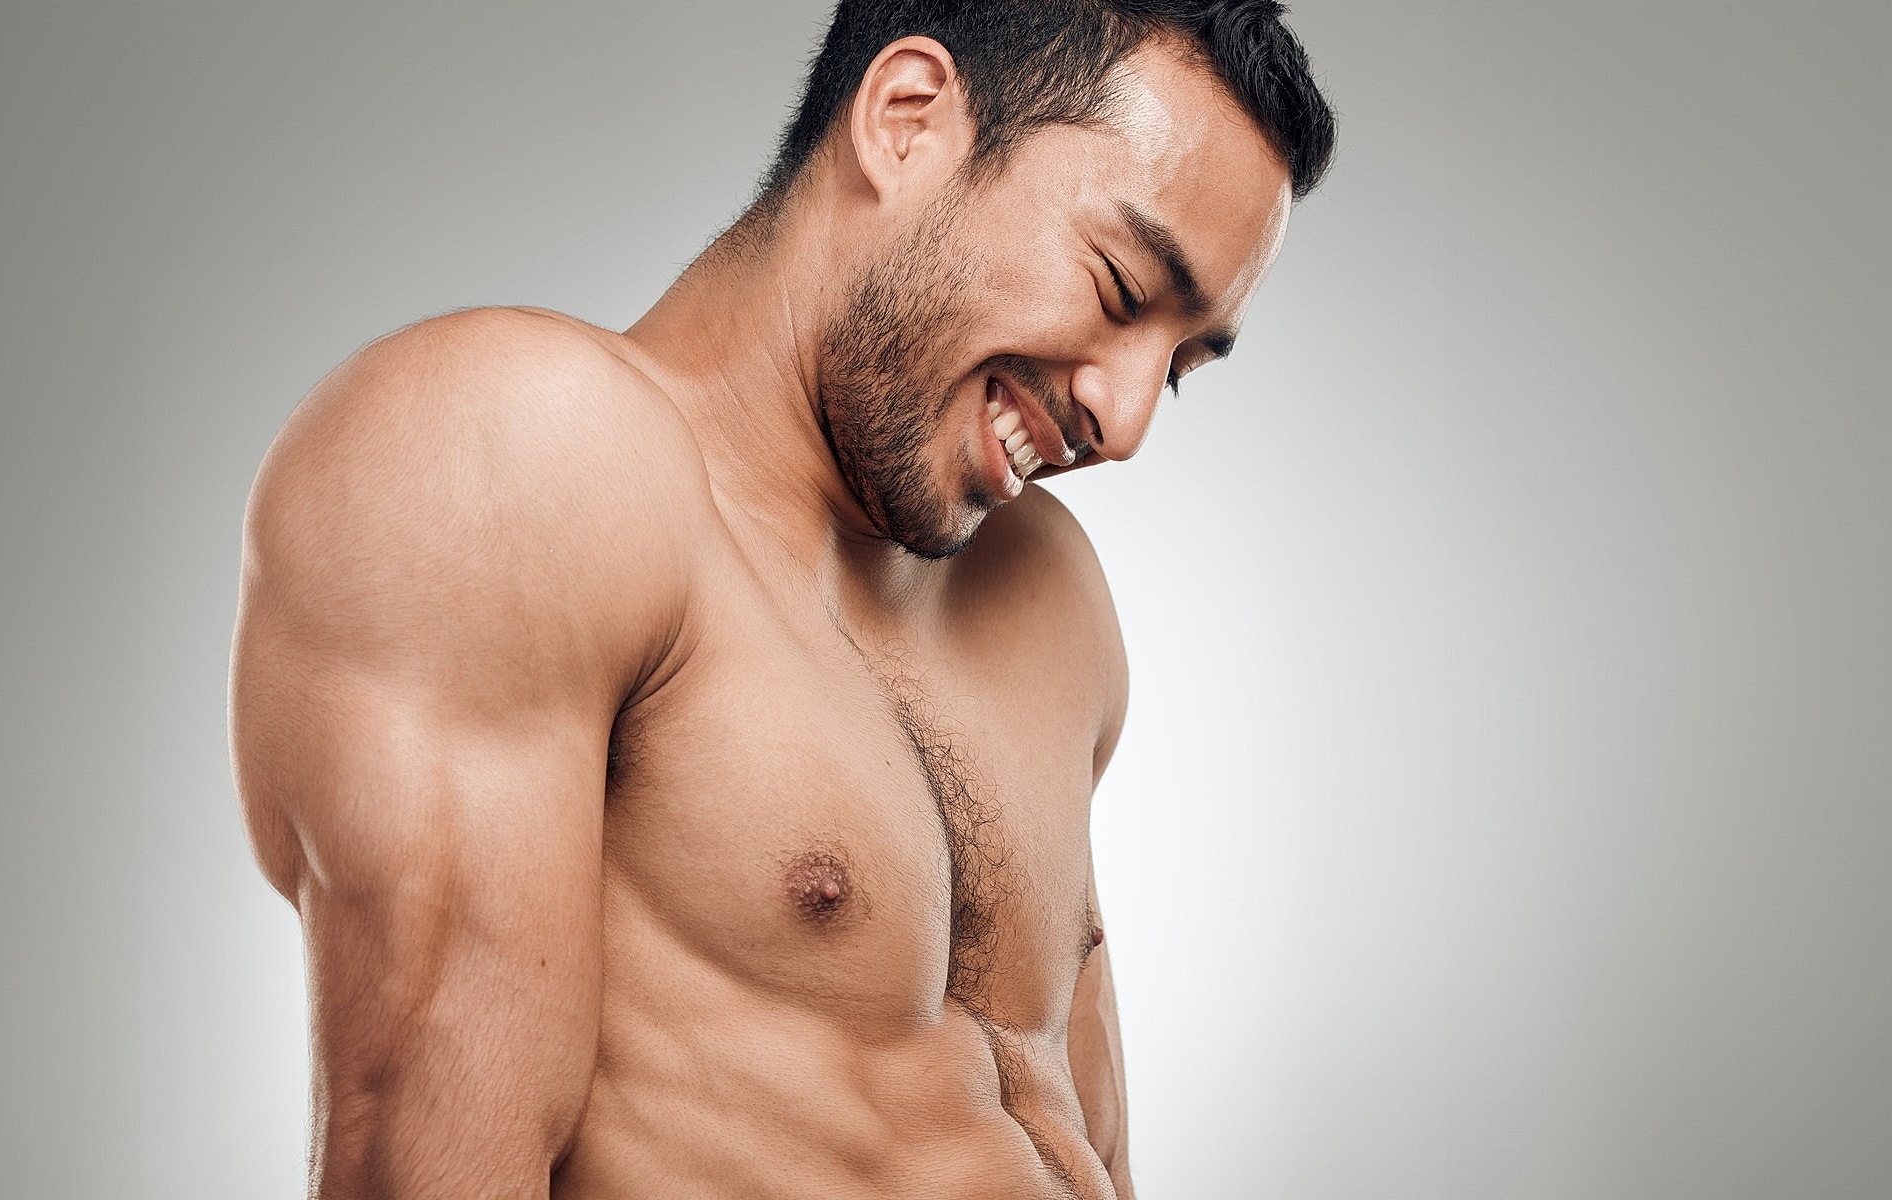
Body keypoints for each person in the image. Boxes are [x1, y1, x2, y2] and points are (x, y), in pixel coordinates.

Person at [229, 2, 1333, 1195]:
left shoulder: (1046, 592)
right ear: (907, 120)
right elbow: (422, 1164)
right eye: (1120, 287)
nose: (1123, 424)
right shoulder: (511, 448)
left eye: (1178, 366)